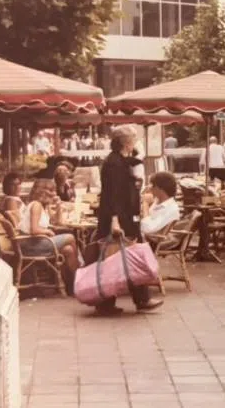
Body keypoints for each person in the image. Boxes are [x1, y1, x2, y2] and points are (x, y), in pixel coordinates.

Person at [96, 126, 163, 314]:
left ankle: (116, 301)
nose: (136, 142)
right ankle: (138, 299)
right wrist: (115, 221)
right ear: (126, 142)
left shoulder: (119, 161)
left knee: (122, 258)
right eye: (134, 138)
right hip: (120, 220)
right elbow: (114, 195)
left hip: (126, 218)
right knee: (123, 258)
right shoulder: (115, 164)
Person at [19, 179, 81, 291]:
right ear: (42, 192)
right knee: (70, 237)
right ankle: (81, 277)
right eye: (51, 190)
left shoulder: (43, 207)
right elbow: (34, 229)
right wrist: (47, 232)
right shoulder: (36, 206)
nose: (54, 194)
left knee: (68, 250)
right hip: (32, 245)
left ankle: (71, 285)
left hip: (39, 242)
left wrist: (58, 207)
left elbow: (58, 222)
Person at [140, 172, 181, 238]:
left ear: (160, 188)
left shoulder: (170, 209)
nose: (149, 188)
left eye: (151, 185)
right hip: (143, 237)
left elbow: (147, 229)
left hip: (149, 242)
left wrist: (145, 204)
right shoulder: (158, 202)